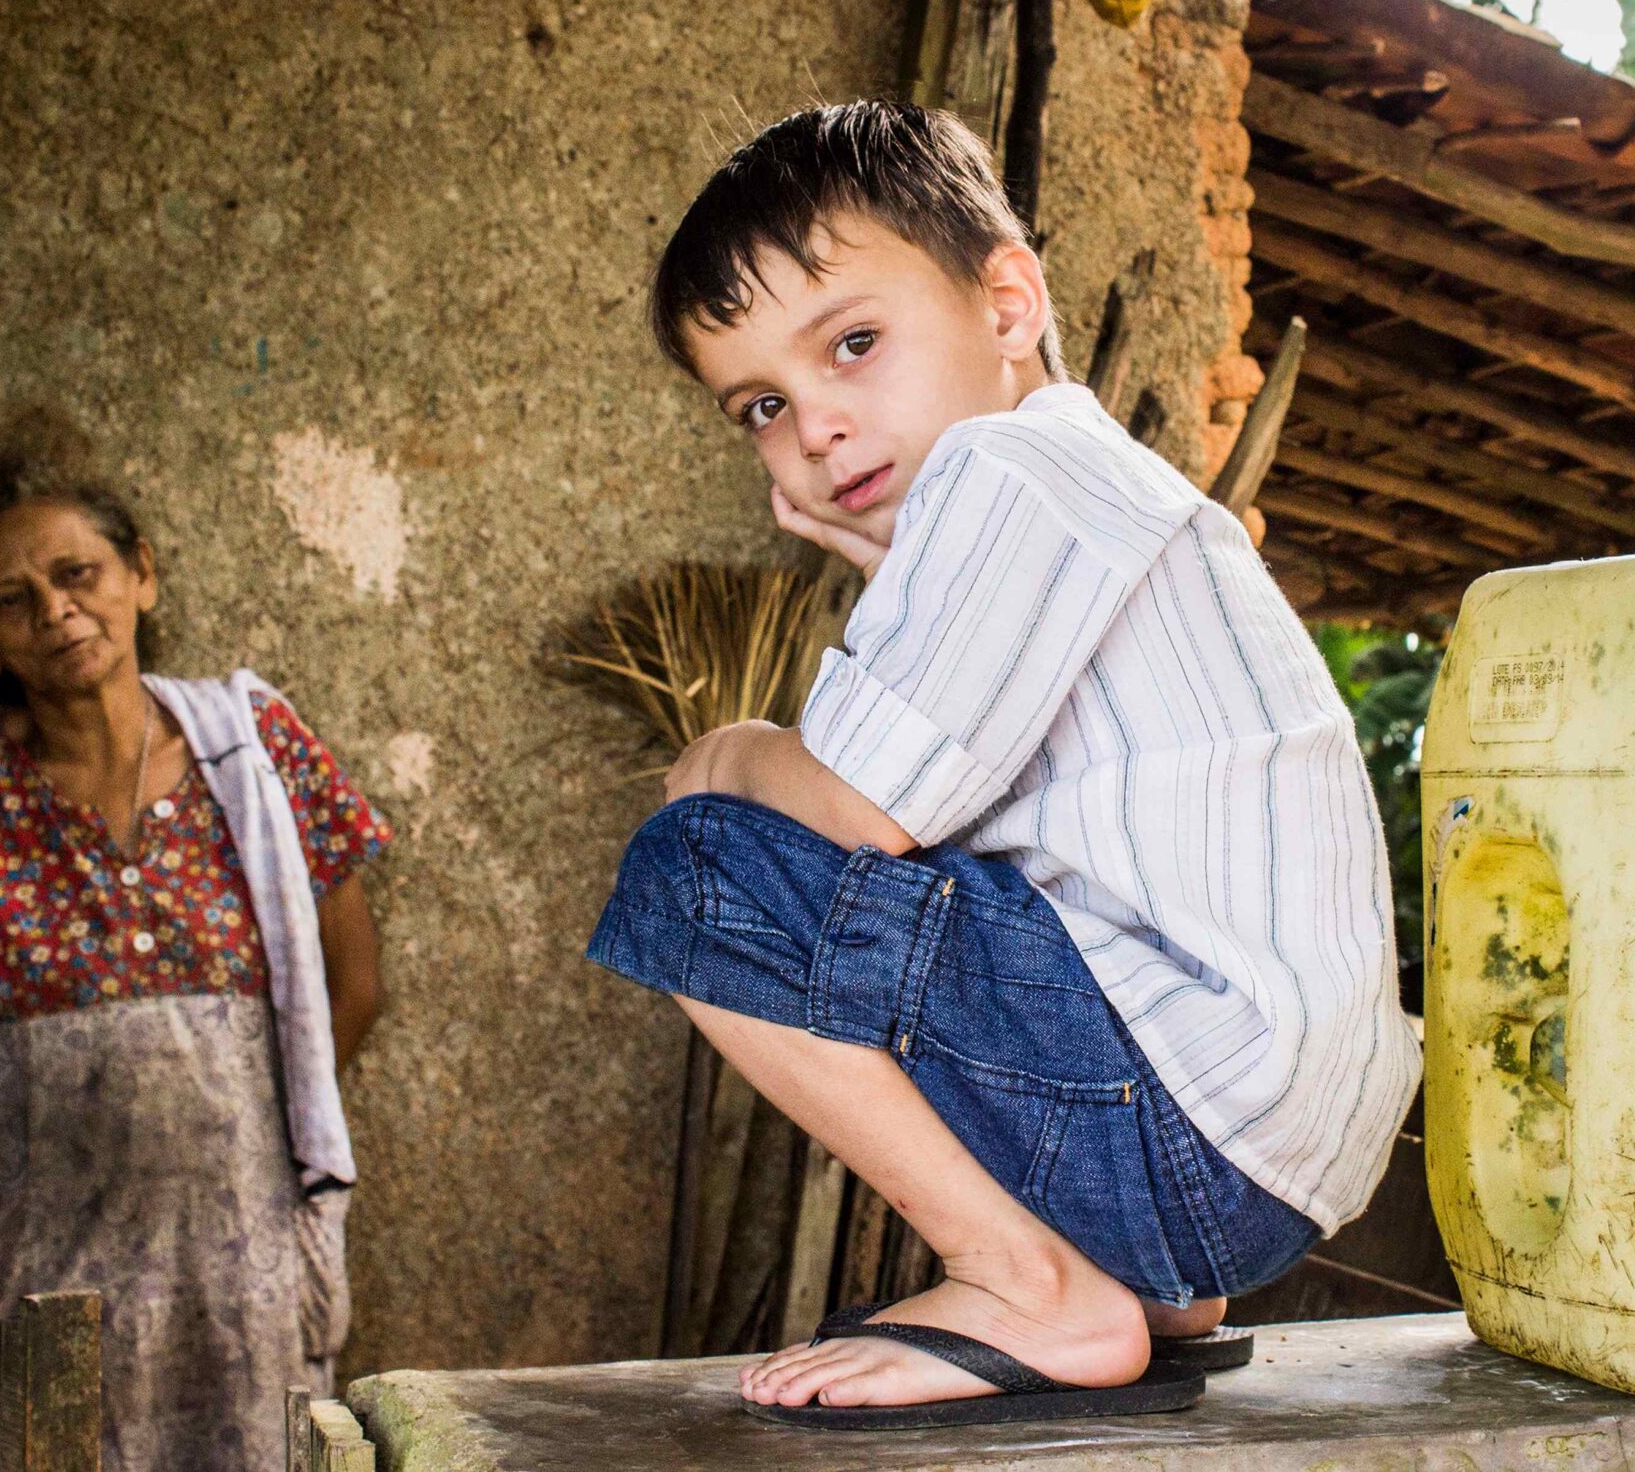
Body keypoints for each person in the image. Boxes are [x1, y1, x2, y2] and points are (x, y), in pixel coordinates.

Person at [587, 102, 1415, 1429]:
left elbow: (852, 810)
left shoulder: (1011, 467)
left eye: (854, 343)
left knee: (695, 870)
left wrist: (726, 752)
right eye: (764, 404)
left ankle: (1029, 1277)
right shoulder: (1085, 484)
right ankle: (1139, 1289)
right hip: (1262, 1160)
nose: (816, 424)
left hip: (1193, 1125)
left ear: (1008, 301)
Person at [0, 413, 389, 1472]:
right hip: (28, 1265)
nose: (57, 610)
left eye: (78, 572)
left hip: (234, 1257)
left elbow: (351, 986)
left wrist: (244, 1157)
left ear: (140, 575)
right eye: (13, 600)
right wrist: (10, 1183)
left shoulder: (254, 749)